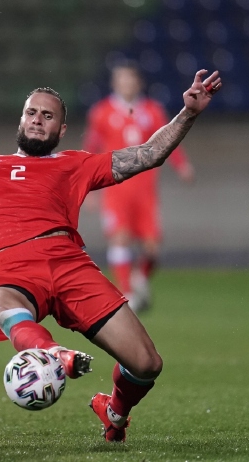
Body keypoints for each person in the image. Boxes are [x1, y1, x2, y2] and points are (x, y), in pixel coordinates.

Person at [0, 70, 221, 443]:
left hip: (70, 266)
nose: (37, 120)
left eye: (47, 116)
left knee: (146, 363)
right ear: (21, 120)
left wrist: (187, 113)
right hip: (10, 268)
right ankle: (52, 353)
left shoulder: (75, 163)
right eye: (31, 113)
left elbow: (148, 154)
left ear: (61, 130)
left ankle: (114, 413)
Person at [83, 62, 195, 312]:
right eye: (121, 79)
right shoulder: (101, 112)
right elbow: (91, 148)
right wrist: (88, 189)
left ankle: (139, 277)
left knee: (152, 247)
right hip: (116, 188)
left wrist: (182, 165)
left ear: (138, 82)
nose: (126, 84)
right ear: (114, 83)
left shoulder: (153, 111)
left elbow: (170, 139)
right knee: (120, 238)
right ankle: (128, 293)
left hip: (145, 190)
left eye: (130, 79)